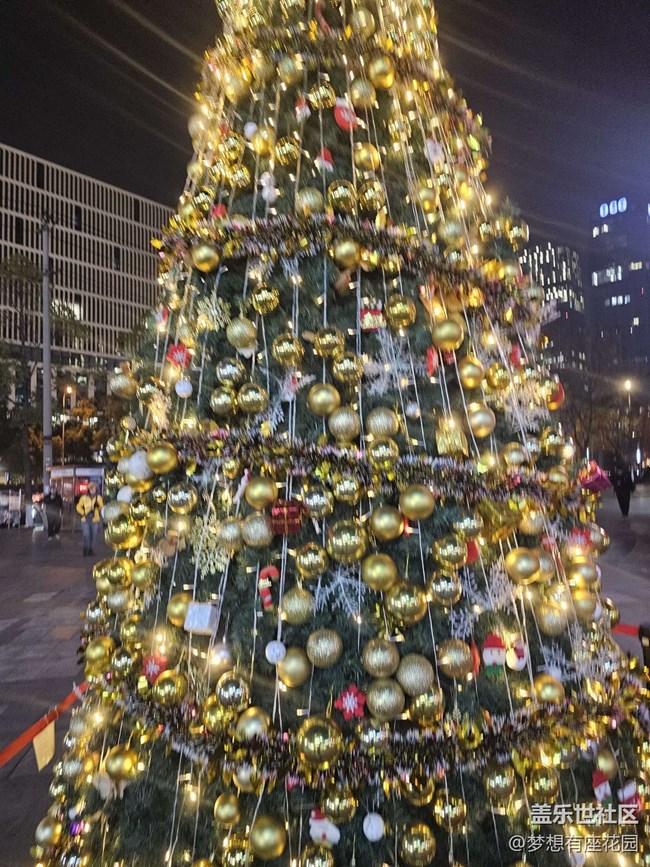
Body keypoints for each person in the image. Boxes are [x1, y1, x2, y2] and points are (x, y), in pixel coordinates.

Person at [75, 482, 103, 555]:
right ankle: (85, 550)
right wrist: (83, 512)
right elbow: (78, 507)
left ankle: (91, 550)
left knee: (93, 536)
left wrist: (98, 507)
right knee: (86, 535)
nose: (92, 489)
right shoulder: (83, 497)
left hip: (95, 519)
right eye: (91, 488)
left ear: (96, 489)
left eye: (93, 488)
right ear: (88, 489)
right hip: (85, 519)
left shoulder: (99, 498)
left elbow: (101, 508)